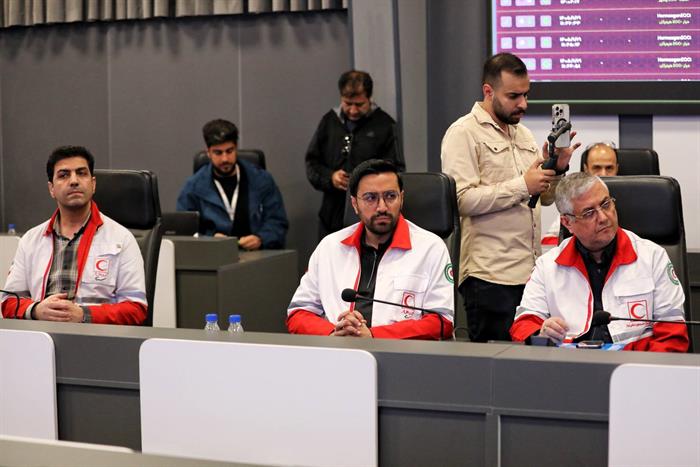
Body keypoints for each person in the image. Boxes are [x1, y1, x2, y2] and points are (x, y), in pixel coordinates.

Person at [441, 52, 580, 342]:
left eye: (526, 95)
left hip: (531, 274)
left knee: (532, 359)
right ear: (488, 91)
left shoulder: (524, 134)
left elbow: (544, 199)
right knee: (496, 364)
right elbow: (461, 200)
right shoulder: (463, 133)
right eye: (514, 96)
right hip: (489, 277)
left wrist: (557, 168)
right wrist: (522, 185)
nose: (523, 104)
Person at [511, 172, 688, 352]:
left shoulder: (652, 257)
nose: (603, 217)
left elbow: (672, 335)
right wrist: (541, 335)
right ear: (567, 223)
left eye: (605, 204)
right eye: (589, 213)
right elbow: (523, 324)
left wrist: (638, 368)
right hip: (569, 364)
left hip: (636, 363)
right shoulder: (547, 266)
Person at [287, 159, 454, 340]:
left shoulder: (431, 248)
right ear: (354, 203)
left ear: (401, 198)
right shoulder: (329, 247)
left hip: (400, 353)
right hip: (339, 350)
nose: (382, 207)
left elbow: (442, 320)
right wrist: (333, 333)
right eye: (370, 198)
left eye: (390, 196)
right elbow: (298, 312)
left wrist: (374, 336)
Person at [1, 146, 147, 324]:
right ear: (51, 189)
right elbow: (9, 302)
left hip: (98, 337)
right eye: (64, 175)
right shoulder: (30, 240)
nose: (74, 181)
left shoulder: (122, 239)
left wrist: (83, 314)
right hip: (41, 336)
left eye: (81, 173)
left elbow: (136, 309)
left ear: (93, 184)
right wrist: (36, 310)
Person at [305, 70, 405, 239]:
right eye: (347, 103)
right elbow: (312, 163)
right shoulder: (329, 121)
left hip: (370, 218)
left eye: (359, 104)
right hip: (331, 218)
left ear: (369, 98)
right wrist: (331, 177)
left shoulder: (385, 124)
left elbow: (397, 170)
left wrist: (367, 184)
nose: (352, 110)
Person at [177, 119, 288, 250]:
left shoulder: (261, 180)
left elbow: (278, 222)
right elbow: (185, 231)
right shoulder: (193, 187)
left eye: (229, 151)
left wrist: (261, 238)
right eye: (218, 153)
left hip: (256, 254)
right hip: (213, 254)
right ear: (208, 152)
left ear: (236, 148)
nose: (225, 159)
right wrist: (209, 239)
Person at [541, 142, 619, 245]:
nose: (603, 174)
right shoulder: (576, 202)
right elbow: (548, 242)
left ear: (617, 168)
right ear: (586, 168)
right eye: (589, 212)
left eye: (609, 168)